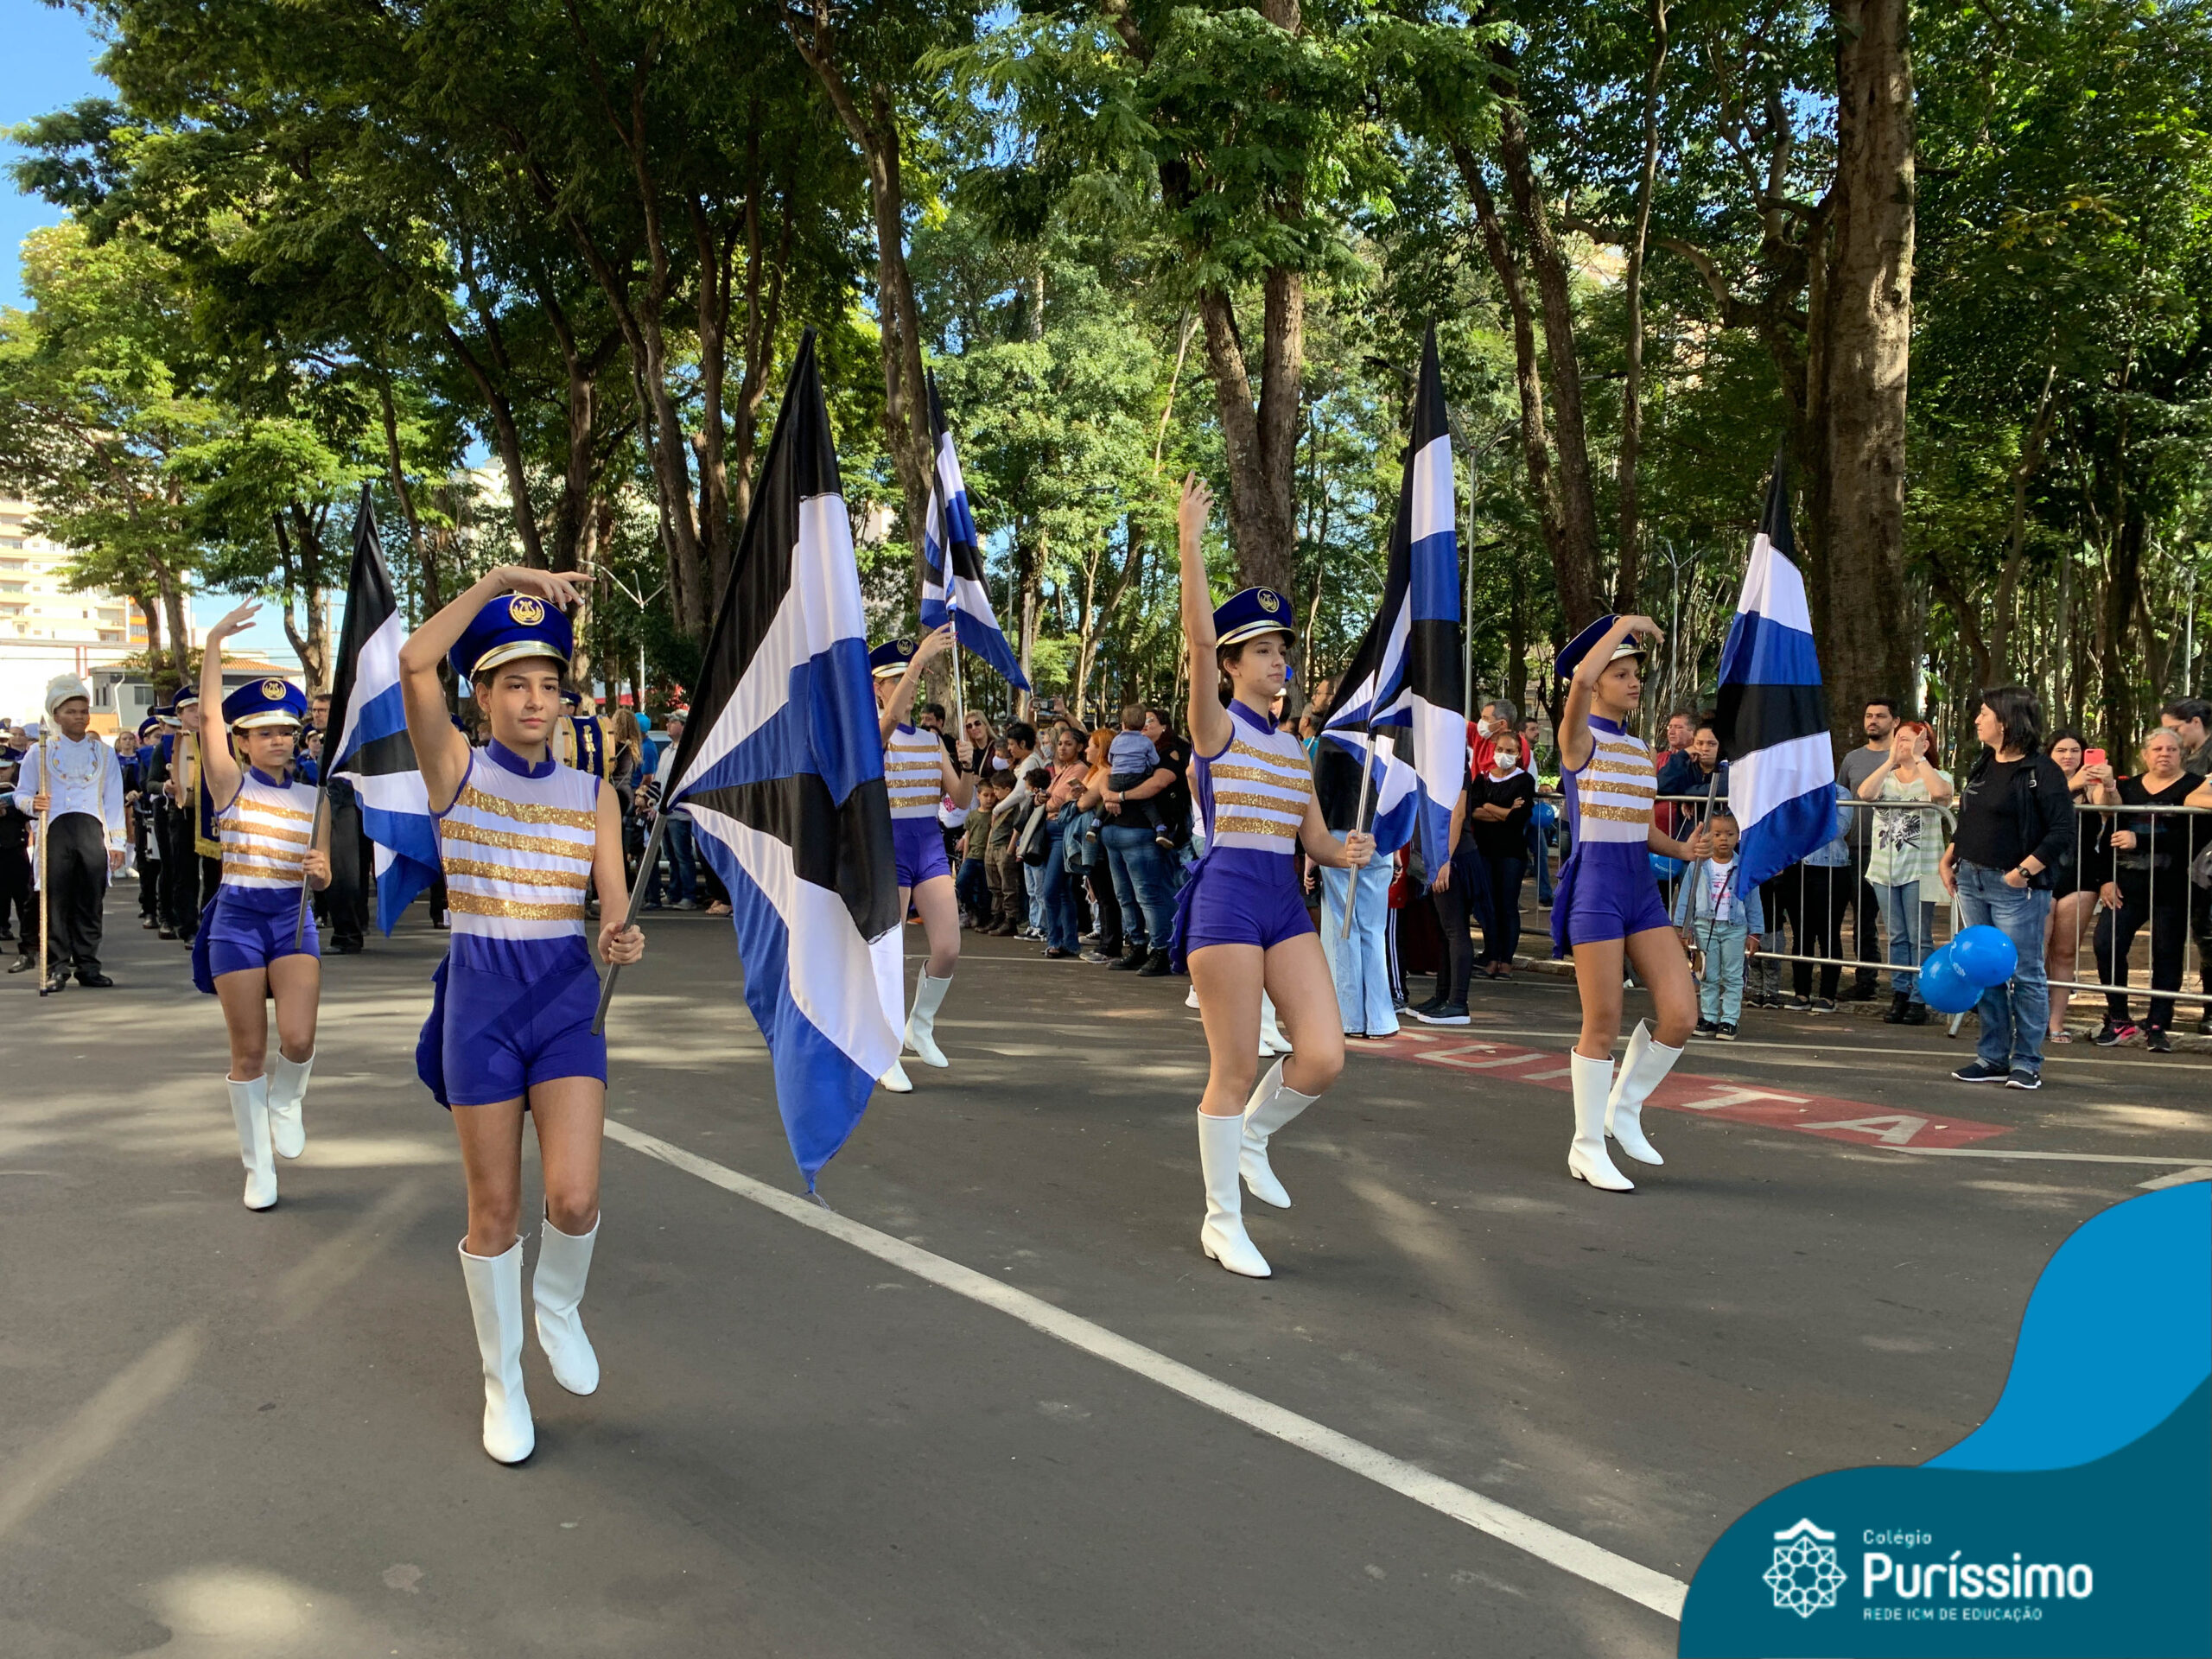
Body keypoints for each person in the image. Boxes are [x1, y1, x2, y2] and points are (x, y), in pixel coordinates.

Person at [397, 568, 645, 1465]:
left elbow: (611, 903)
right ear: (484, 695)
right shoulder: (454, 770)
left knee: (574, 1198)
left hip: (566, 996)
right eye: (514, 684)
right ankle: (502, 1381)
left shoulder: (593, 794)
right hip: (483, 1000)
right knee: (494, 1210)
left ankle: (558, 1305)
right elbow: (414, 662)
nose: (535, 700)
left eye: (548, 684)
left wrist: (619, 934)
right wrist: (500, 579)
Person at [1167, 475, 1371, 1280]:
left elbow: (1312, 839)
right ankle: (1221, 1220)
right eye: (1262, 650)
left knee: (1323, 1056)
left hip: (1285, 902)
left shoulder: (1293, 748)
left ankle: (1252, 1138)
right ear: (1230, 663)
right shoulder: (1214, 727)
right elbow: (1194, 641)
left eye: (1282, 650)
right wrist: (1189, 541)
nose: (1278, 661)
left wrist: (1345, 851)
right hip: (1225, 900)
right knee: (1236, 1067)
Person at [1550, 615, 1706, 1192]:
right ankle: (1586, 1145)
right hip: (1596, 887)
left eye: (1636, 671)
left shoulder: (1640, 749)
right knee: (1602, 1023)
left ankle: (1625, 1105)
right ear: (1597, 681)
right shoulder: (1579, 739)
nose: (1634, 681)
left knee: (1682, 1014)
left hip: (1640, 888)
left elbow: (1637, 825)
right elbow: (1578, 682)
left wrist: (1682, 849)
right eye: (1620, 673)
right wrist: (1625, 624)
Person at [190, 606, 333, 1209]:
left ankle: (287, 1098)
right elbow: (207, 719)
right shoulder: (230, 784)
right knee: (248, 1052)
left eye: (285, 731)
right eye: (264, 732)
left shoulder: (315, 797)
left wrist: (321, 873)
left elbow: (323, 876)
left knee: (298, 1039)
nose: (278, 740)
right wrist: (214, 643)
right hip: (238, 921)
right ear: (243, 742)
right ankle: (259, 1169)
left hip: (291, 919)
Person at [1937, 686, 2073, 1089]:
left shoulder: (2042, 771)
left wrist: (2023, 872)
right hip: (1971, 877)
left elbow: (2062, 831)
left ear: (2007, 720)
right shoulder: (1983, 762)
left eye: (1984, 713)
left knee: (2026, 972)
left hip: (2016, 887)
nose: (1977, 720)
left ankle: (2027, 1061)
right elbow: (1972, 818)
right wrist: (1950, 856)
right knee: (1986, 971)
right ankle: (1993, 1056)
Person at [870, 629, 977, 1091]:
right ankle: (884, 1048)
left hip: (929, 845)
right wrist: (920, 660)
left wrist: (969, 765)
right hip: (887, 846)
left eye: (910, 678)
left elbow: (961, 800)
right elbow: (892, 718)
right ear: (878, 687)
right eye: (896, 680)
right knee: (888, 954)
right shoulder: (875, 732)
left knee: (948, 947)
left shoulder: (932, 741)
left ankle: (920, 1025)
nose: (908, 688)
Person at [14, 675, 127, 991]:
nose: (79, 717)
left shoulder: (104, 753)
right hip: (55, 831)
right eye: (71, 711)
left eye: (83, 711)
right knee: (56, 901)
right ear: (57, 715)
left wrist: (118, 842)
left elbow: (113, 799)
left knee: (90, 900)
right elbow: (21, 794)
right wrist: (33, 803)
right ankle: (57, 966)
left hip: (92, 830)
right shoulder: (39, 752)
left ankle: (88, 965)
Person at [2090, 729, 2197, 1052]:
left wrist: (2142, 839)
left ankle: (2158, 1023)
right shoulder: (2127, 788)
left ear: (2181, 754)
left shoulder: (2194, 788)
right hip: (2126, 884)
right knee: (2106, 943)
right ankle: (2118, 1017)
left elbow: (2191, 838)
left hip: (2173, 885)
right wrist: (2105, 880)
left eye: (2171, 749)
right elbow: (2107, 835)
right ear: (2145, 754)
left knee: (2167, 952)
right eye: (2157, 749)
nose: (2164, 754)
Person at [1855, 720, 1954, 1024]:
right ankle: (1900, 992)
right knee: (1896, 935)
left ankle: (1919, 997)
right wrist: (1889, 762)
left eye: (1908, 739)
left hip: (1919, 869)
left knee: (1919, 936)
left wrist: (1921, 759)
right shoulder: (1886, 777)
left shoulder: (1937, 776)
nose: (1901, 744)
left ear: (1924, 743)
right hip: (1885, 868)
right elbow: (1865, 794)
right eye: (1898, 738)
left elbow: (1941, 793)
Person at [1673, 810, 1764, 1039]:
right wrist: (1683, 927)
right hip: (1705, 926)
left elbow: (1753, 900)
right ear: (1708, 836)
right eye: (1717, 834)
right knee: (1708, 974)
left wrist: (1755, 932)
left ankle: (1729, 1020)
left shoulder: (1744, 866)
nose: (1724, 839)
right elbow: (1687, 897)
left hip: (1735, 927)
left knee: (1733, 976)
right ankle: (1710, 1017)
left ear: (1738, 836)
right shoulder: (1698, 866)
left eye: (1730, 834)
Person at [2041, 730, 2106, 1041]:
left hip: (2081, 875)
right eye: (2061, 750)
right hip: (2042, 871)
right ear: (2049, 754)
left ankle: (2056, 1021)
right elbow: (2037, 811)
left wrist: (2105, 785)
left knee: (2065, 953)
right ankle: (2032, 1017)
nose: (2069, 756)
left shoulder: (2091, 784)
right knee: (2037, 950)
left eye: (2075, 751)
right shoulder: (2038, 781)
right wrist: (2071, 784)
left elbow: (2108, 811)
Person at [1837, 697, 1903, 999]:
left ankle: (1907, 985)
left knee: (1899, 920)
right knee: (1863, 918)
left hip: (1896, 850)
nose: (1873, 721)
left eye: (1880, 716)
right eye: (1868, 715)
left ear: (1895, 721)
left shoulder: (1903, 757)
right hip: (1858, 849)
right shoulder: (1852, 759)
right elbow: (1841, 798)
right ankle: (1866, 980)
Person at [2161, 697, 2212, 1032]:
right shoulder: (2190, 758)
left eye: (2175, 729)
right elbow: (2192, 796)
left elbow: (2193, 795)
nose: (2172, 737)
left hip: (2205, 857)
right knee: (2204, 934)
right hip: (2196, 859)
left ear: (2195, 722)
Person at [1468, 728, 1535, 978]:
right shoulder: (1482, 779)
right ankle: (1491, 957)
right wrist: (1504, 811)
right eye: (1500, 749)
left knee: (1507, 906)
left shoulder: (1524, 781)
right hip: (1484, 850)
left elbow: (1518, 818)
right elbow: (1473, 811)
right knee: (1488, 906)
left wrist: (1489, 806)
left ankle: (1506, 961)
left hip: (1511, 853)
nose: (1503, 754)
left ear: (1518, 754)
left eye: (1509, 751)